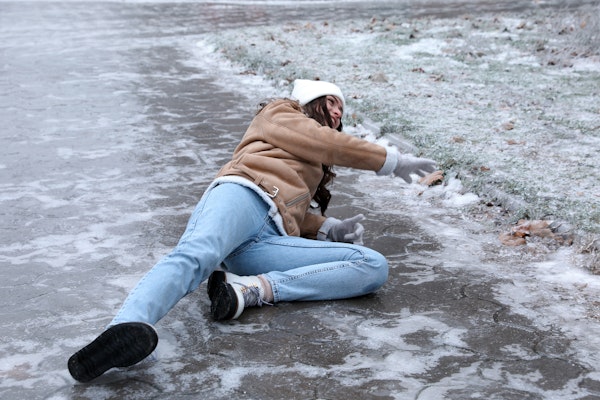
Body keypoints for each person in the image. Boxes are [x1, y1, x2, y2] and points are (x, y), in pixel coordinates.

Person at [67, 79, 436, 382]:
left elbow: (292, 210)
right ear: (309, 99)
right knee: (196, 256)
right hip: (242, 195)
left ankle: (247, 290)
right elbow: (326, 143)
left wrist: (329, 228)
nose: (338, 113)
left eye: (342, 109)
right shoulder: (279, 113)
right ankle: (123, 330)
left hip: (266, 239)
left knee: (371, 265)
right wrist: (392, 161)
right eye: (332, 102)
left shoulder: (312, 157)